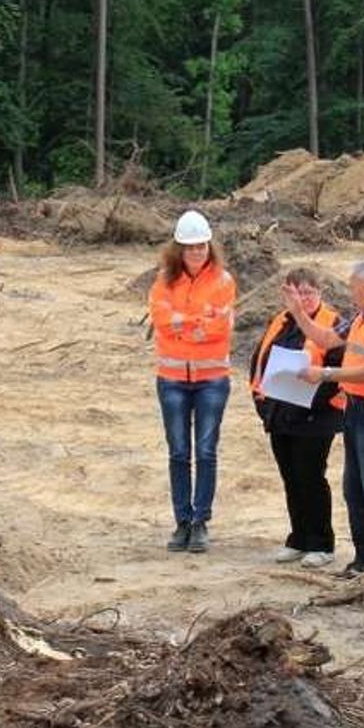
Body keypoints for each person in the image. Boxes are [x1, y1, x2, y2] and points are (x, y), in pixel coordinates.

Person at [285, 260, 364, 574]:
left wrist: (325, 373)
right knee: (354, 488)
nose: (350, 293)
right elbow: (327, 338)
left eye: (353, 287)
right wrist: (299, 312)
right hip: (357, 408)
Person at [149, 211, 236, 553]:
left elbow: (220, 327)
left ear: (209, 246)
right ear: (179, 250)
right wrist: (197, 322)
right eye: (190, 248)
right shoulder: (163, 281)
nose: (197, 253)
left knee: (205, 450)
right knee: (179, 452)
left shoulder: (223, 281)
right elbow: (160, 318)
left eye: (201, 246)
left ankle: (201, 521)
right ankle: (182, 521)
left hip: (211, 379)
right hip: (172, 379)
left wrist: (183, 324)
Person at [249, 268, 345, 568]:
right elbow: (259, 364)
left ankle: (322, 542)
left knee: (311, 478)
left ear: (320, 293)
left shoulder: (334, 324)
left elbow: (337, 373)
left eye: (308, 292)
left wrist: (309, 404)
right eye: (296, 293)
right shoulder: (279, 321)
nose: (303, 299)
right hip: (279, 416)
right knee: (291, 478)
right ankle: (299, 538)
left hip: (315, 418)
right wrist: (263, 405)